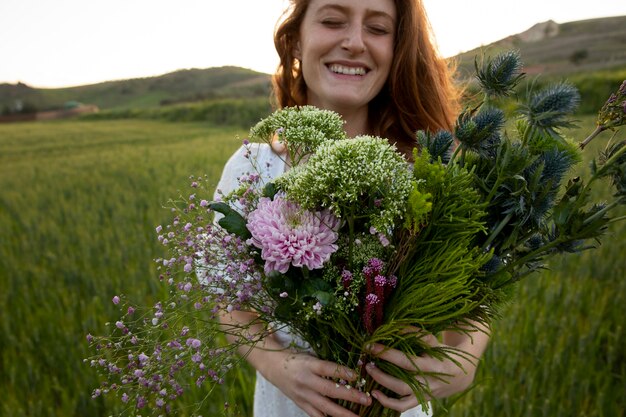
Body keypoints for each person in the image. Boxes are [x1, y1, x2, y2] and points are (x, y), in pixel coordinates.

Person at [215, 0, 490, 416]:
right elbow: (227, 300)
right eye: (332, 20)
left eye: (378, 29)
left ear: (397, 51)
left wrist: (465, 361)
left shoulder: (428, 168)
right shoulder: (253, 168)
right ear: (294, 42)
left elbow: (478, 293)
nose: (355, 42)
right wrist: (279, 365)